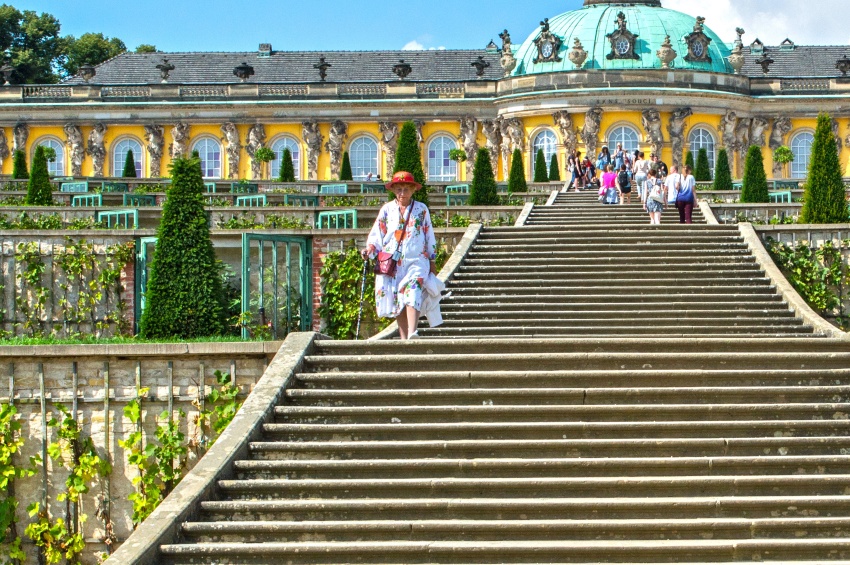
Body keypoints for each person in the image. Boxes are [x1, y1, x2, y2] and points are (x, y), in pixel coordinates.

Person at [363, 171, 437, 340]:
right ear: (394, 190)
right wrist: (370, 249)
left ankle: (413, 332)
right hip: (393, 263)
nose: (402, 193)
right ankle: (405, 338)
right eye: (399, 189)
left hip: (416, 260)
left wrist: (432, 259)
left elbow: (428, 234)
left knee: (413, 292)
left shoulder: (421, 209)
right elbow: (378, 233)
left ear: (413, 190)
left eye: (406, 189)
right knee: (398, 300)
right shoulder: (387, 210)